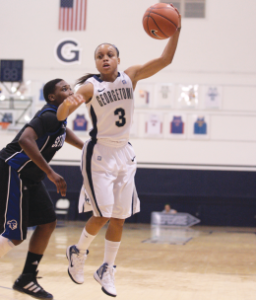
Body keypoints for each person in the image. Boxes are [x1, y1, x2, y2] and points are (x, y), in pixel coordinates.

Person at [57, 6, 181, 297]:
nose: (104, 59)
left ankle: (107, 269)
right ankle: (78, 251)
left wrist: (176, 30)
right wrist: (69, 102)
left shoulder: (131, 76)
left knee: (120, 217)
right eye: (99, 56)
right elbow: (62, 114)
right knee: (102, 214)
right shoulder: (90, 87)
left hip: (125, 154)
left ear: (118, 59)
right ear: (96, 63)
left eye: (109, 55)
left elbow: (165, 59)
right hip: (99, 155)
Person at [0, 79, 84, 300]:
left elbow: (63, 134)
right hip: (12, 170)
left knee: (48, 222)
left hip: (30, 177)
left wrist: (86, 147)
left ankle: (27, 278)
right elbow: (26, 140)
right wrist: (50, 172)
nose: (70, 90)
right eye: (63, 89)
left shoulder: (60, 118)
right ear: (52, 98)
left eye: (70, 87)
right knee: (15, 236)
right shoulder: (48, 115)